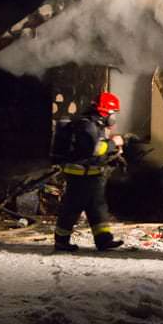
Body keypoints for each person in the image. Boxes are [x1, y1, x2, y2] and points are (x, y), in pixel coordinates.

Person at [52, 92, 124, 251]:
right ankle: (61, 241)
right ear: (105, 112)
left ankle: (103, 240)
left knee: (97, 208)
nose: (114, 118)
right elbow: (93, 149)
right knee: (72, 208)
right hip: (80, 176)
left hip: (91, 175)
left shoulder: (95, 124)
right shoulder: (87, 125)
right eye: (113, 114)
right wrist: (113, 143)